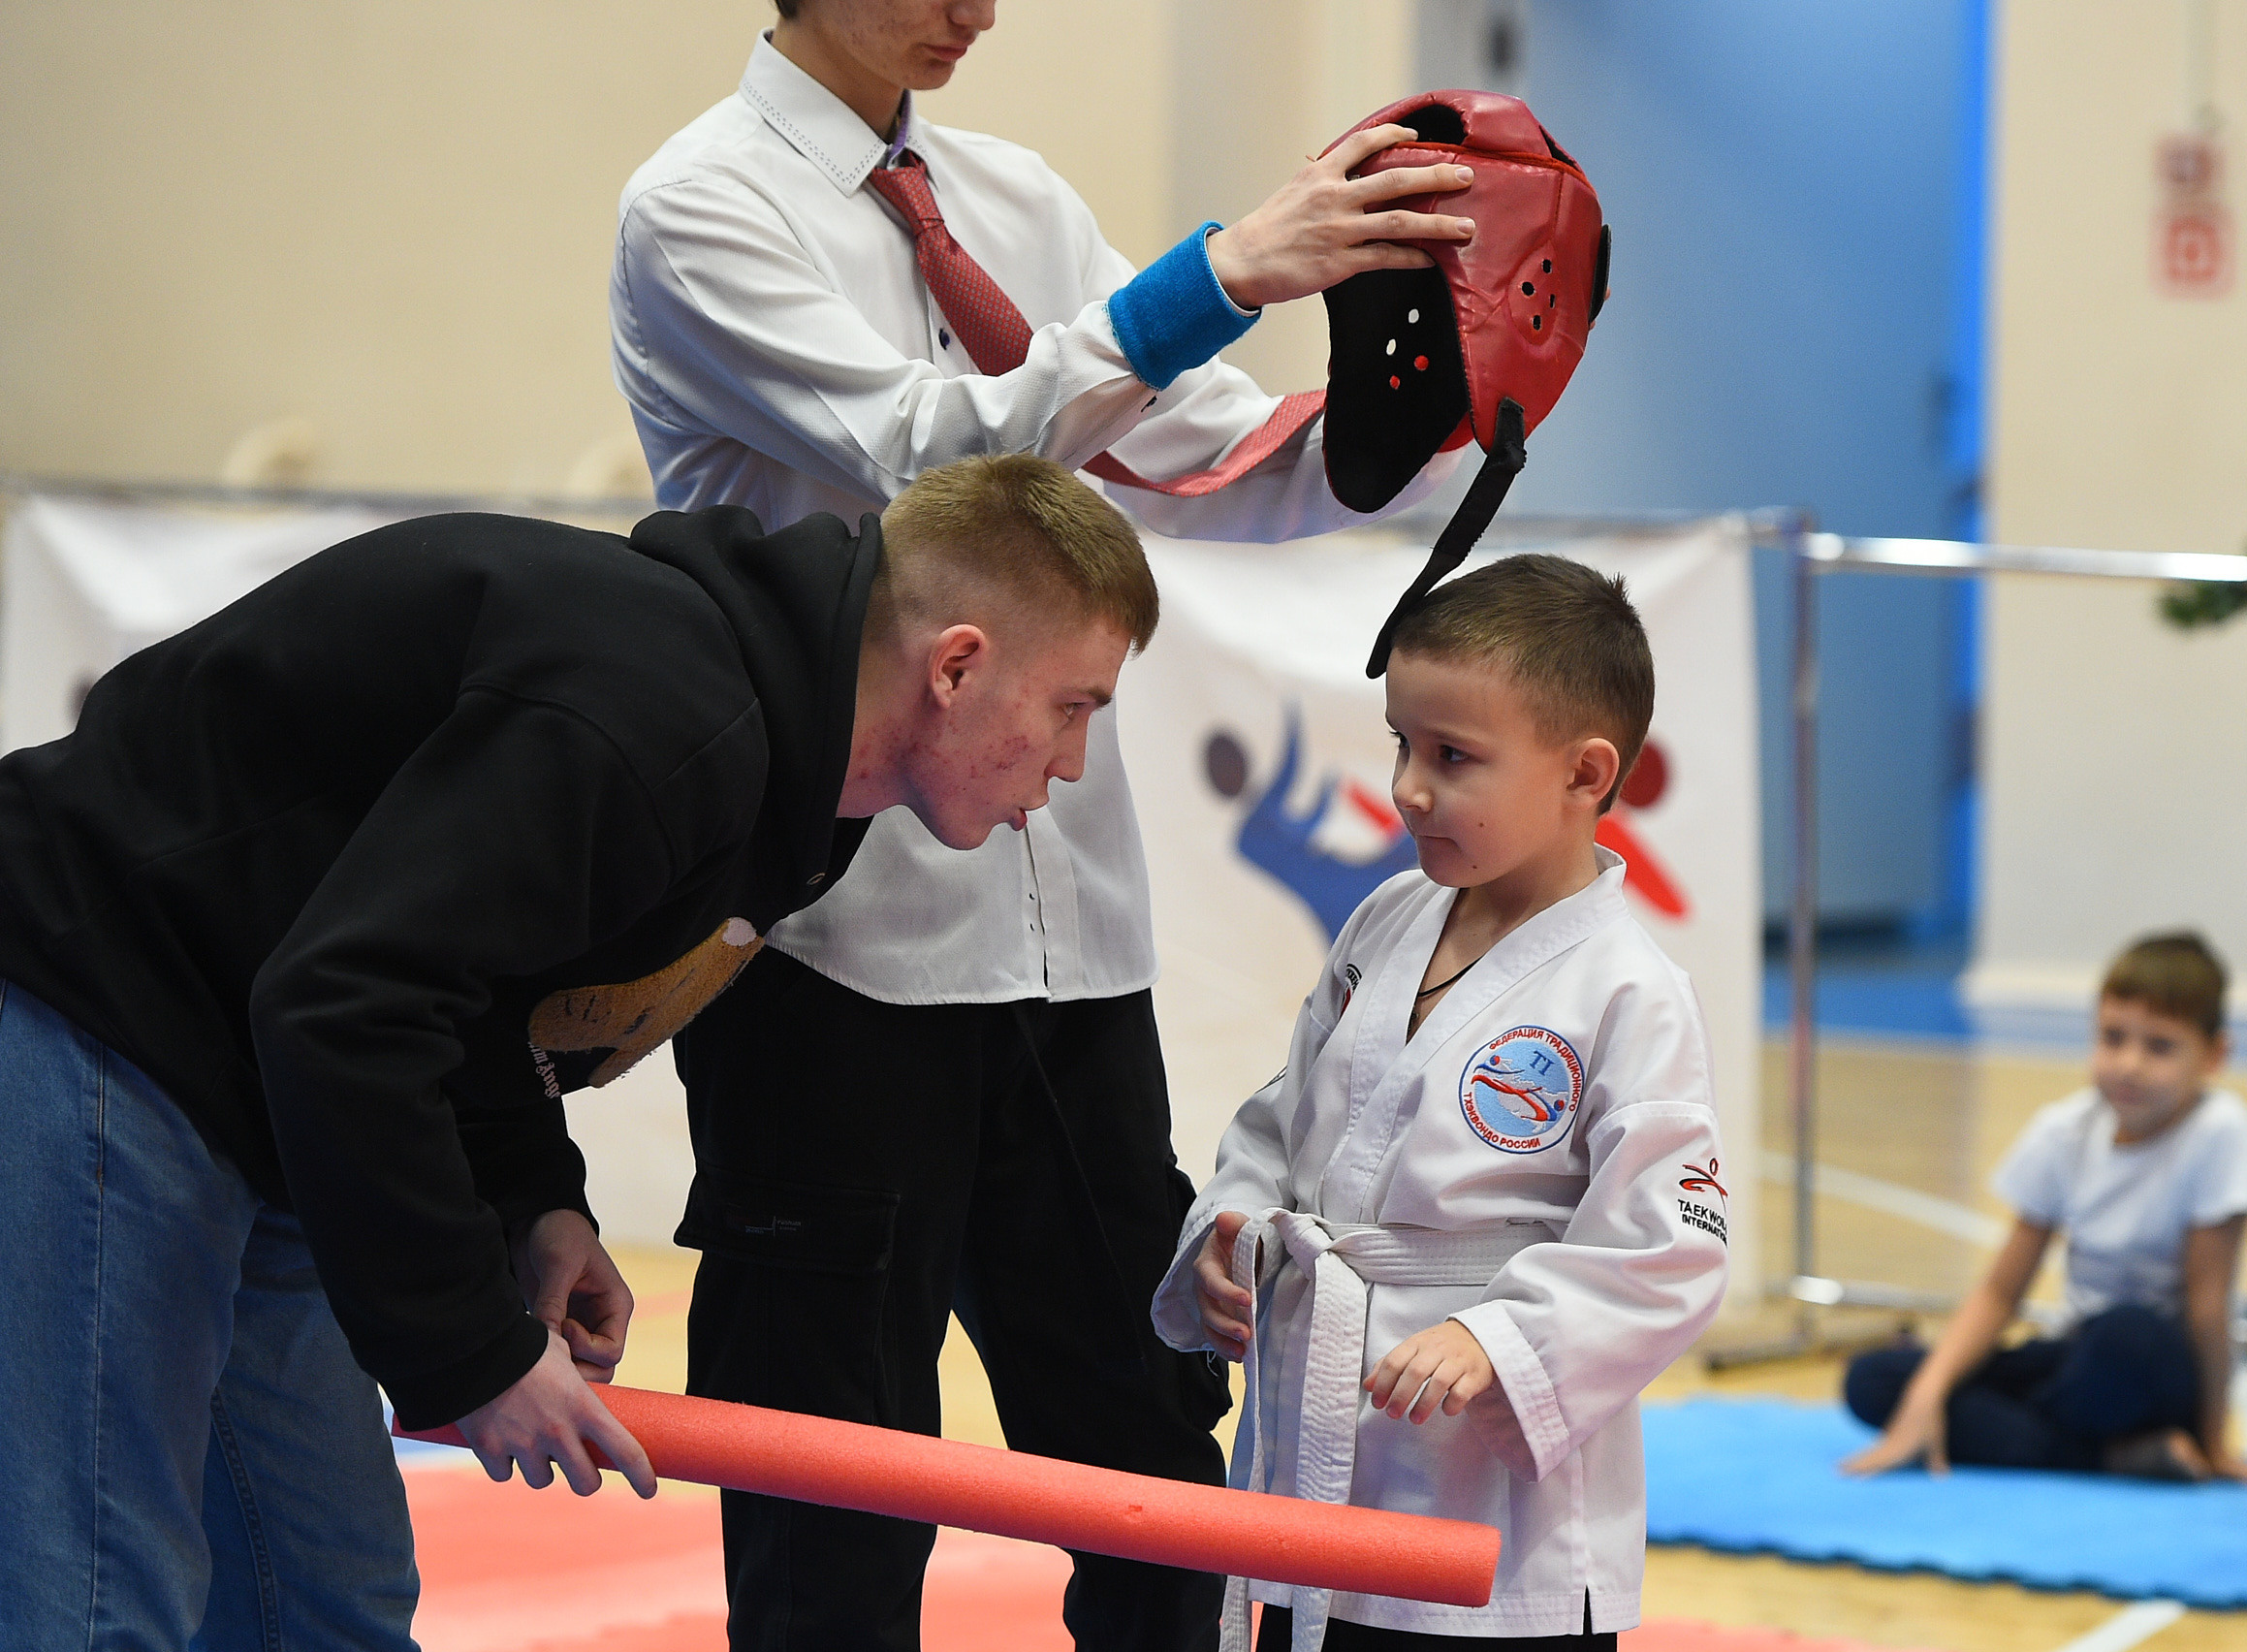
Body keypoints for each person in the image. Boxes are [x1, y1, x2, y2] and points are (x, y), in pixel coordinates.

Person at [610, 4, 1475, 1648]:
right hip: (827, 949)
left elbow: (1216, 460)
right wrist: (1219, 267)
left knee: (1151, 1451)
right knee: (833, 1490)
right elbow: (940, 467)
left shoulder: (1010, 195)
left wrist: (1447, 393)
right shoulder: (698, 204)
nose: (979, 10)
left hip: (1075, 947)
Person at [0, 452, 1155, 1651]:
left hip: (257, 1083)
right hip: (97, 1009)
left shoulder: (794, 775)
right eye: (1073, 706)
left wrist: (532, 1206)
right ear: (957, 665)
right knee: (95, 1599)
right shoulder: (662, 717)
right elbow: (348, 1000)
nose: (1071, 764)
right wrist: (474, 1352)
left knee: (327, 1600)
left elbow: (476, 990)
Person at [1153, 556, 1731, 1652]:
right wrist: (1233, 1222)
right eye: (1402, 744)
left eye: (1453, 757)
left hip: (1488, 1502)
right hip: (1313, 1456)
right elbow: (1288, 1118)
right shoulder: (1386, 918)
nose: (1409, 788)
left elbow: (1669, 1249)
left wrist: (1505, 1337)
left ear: (1584, 774)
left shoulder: (1629, 991)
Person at [1840, 934, 2247, 1485]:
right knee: (1874, 1381)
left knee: (2123, 1338)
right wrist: (1927, 1393)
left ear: (2214, 1055)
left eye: (2159, 1047)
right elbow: (1999, 1292)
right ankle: (2106, 1457)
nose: (2129, 1064)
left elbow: (2208, 1308)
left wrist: (2217, 1447)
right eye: (2113, 1038)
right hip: (2076, 1360)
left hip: (2149, 1369)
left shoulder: (2221, 1134)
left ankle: (2068, 1440)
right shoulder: (2064, 1131)